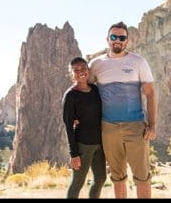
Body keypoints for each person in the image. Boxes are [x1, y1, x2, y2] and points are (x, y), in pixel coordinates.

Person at [89, 23, 157, 199]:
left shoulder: (138, 62)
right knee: (117, 177)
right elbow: (84, 93)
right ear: (107, 39)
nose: (117, 41)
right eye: (114, 37)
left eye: (121, 38)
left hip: (135, 127)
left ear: (127, 41)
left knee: (142, 177)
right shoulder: (96, 64)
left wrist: (153, 125)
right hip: (108, 128)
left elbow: (150, 94)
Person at [63, 56, 107, 198]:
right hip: (83, 145)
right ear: (72, 74)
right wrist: (73, 154)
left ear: (88, 70)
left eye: (83, 69)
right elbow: (68, 126)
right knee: (77, 183)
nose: (81, 72)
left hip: (100, 143)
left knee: (100, 178)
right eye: (76, 70)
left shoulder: (94, 89)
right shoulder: (70, 95)